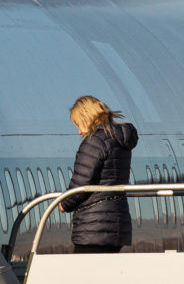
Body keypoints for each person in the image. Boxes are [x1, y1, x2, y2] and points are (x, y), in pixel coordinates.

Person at [59, 95, 138, 254]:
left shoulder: (94, 142)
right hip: (117, 222)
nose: (79, 130)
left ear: (86, 118)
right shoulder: (119, 140)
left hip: (94, 226)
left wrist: (63, 203)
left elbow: (81, 183)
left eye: (78, 124)